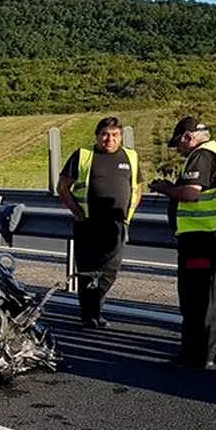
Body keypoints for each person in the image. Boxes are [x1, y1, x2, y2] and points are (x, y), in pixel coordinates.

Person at [150, 116, 216, 368]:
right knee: (211, 296)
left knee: (196, 297)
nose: (178, 151)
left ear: (187, 137)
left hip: (202, 236)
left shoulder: (201, 155)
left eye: (178, 144)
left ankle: (196, 355)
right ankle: (204, 353)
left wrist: (165, 189)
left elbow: (190, 193)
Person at [56, 117, 142, 329]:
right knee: (87, 270)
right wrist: (77, 211)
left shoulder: (130, 156)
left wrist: (128, 216)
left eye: (114, 135)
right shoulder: (84, 155)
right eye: (104, 134)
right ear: (97, 136)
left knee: (109, 271)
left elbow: (137, 187)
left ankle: (94, 307)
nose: (109, 139)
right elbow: (63, 186)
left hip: (116, 224)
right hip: (88, 223)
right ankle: (90, 315)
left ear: (121, 136)